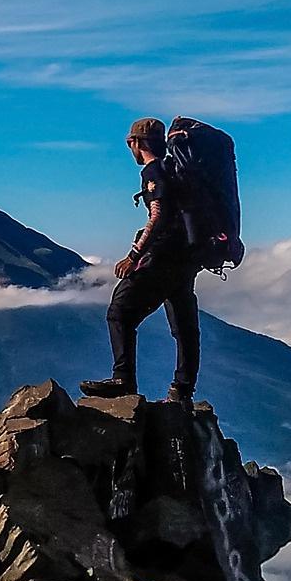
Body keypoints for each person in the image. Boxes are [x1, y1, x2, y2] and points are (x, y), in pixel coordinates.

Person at [80, 117, 201, 404]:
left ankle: (123, 380)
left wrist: (133, 255)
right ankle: (182, 390)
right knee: (184, 327)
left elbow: (157, 215)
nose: (129, 149)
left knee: (119, 313)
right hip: (187, 257)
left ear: (138, 143)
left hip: (161, 256)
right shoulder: (176, 169)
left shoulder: (154, 171)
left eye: (129, 143)